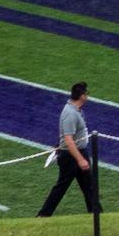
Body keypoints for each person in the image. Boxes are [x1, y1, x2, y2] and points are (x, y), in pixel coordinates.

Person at [36, 83, 98, 217]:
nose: (87, 96)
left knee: (89, 186)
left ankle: (97, 214)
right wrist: (80, 159)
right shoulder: (70, 113)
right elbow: (69, 140)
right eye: (86, 94)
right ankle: (43, 214)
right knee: (62, 186)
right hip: (71, 156)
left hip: (79, 152)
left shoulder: (77, 110)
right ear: (82, 96)